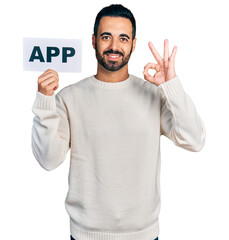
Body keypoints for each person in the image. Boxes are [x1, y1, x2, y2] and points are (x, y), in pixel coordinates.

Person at [31, 4, 206, 240]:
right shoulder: (69, 97)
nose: (114, 46)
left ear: (133, 44)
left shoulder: (154, 94)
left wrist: (171, 86)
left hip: (144, 235)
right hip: (85, 235)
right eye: (106, 37)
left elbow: (195, 140)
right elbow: (48, 160)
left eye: (123, 38)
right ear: (94, 41)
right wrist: (45, 101)